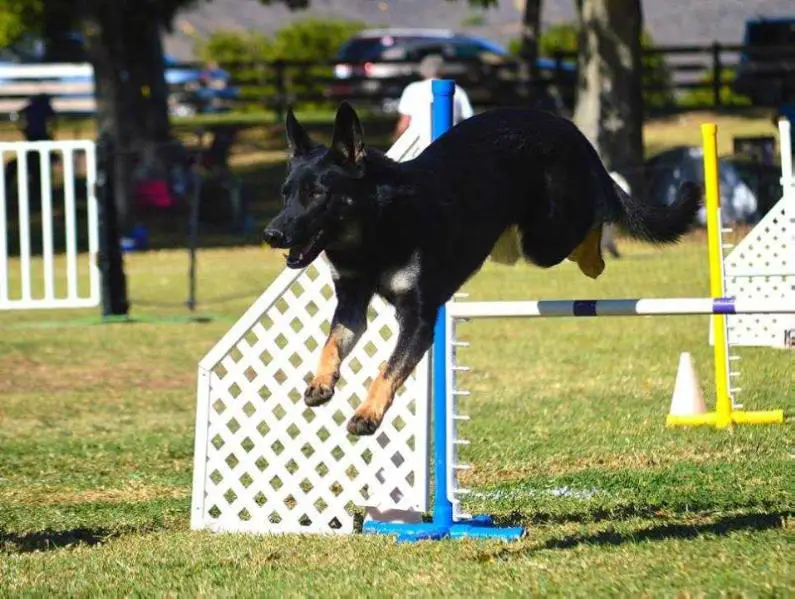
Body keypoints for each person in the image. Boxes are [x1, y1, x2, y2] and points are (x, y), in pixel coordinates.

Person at [392, 54, 474, 140]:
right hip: (448, 141)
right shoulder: (457, 89)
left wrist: (396, 139)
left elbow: (404, 121)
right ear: (442, 70)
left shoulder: (412, 89)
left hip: (418, 143)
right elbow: (467, 119)